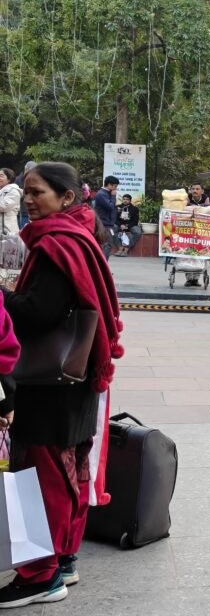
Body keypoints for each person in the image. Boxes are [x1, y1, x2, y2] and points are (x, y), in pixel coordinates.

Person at [0, 161, 122, 608]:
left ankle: (39, 575)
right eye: (26, 192)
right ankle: (64, 559)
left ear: (66, 198)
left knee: (39, 475)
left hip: (48, 381)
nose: (29, 201)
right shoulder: (79, 238)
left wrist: (2, 296)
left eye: (38, 193)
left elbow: (38, 312)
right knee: (67, 471)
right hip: (75, 375)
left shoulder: (55, 245)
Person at [93, 176, 119, 260]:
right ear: (109, 185)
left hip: (108, 223)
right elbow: (110, 207)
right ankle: (103, 268)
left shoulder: (107, 193)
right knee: (107, 245)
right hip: (104, 223)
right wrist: (113, 196)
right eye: (115, 186)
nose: (116, 188)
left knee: (107, 245)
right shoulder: (102, 194)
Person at [0, 168, 24, 237]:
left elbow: (4, 206)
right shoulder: (1, 191)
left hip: (7, 231)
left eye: (1, 176)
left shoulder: (13, 191)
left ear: (9, 179)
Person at [15, 161, 36, 229]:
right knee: (24, 229)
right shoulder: (18, 180)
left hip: (34, 210)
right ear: (26, 169)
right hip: (23, 210)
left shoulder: (36, 179)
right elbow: (17, 195)